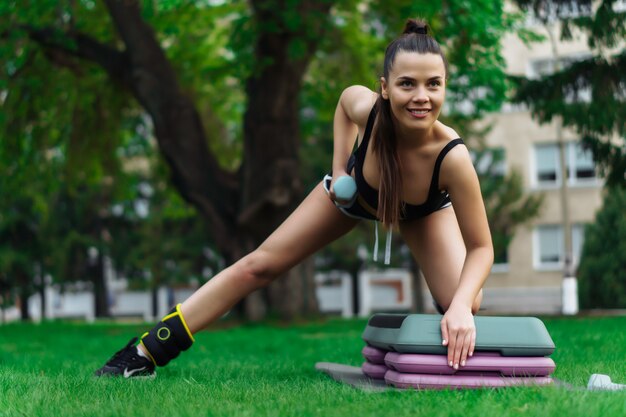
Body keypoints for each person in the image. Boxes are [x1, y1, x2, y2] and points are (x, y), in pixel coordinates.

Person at [94, 18, 493, 378]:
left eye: (433, 84)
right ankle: (144, 351)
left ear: (444, 86)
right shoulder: (367, 109)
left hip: (420, 211)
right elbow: (342, 103)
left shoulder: (452, 158)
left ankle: (451, 331)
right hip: (355, 199)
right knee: (257, 266)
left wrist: (458, 307)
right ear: (385, 89)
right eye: (407, 84)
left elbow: (482, 247)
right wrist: (340, 170)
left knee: (467, 300)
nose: (420, 96)